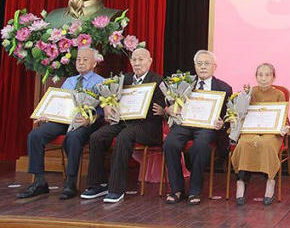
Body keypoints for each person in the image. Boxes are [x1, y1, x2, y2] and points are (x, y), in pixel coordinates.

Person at [17, 46, 105, 200]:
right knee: (35, 135)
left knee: (73, 137)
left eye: (85, 60)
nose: (81, 62)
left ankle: (70, 183)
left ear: (94, 63)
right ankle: (39, 182)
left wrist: (88, 119)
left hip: (85, 122)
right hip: (64, 119)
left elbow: (103, 110)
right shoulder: (69, 81)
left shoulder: (101, 82)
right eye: (78, 59)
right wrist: (48, 114)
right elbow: (60, 102)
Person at [80, 48, 164, 203]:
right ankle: (97, 185)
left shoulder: (158, 81)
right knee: (97, 136)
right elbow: (108, 96)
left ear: (150, 61)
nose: (137, 63)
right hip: (125, 121)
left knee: (124, 136)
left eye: (141, 59)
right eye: (134, 60)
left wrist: (163, 110)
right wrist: (107, 105)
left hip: (147, 126)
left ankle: (116, 189)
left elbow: (166, 107)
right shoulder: (124, 79)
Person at [157, 50, 232, 205]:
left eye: (207, 64)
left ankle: (194, 191)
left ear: (215, 67)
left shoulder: (224, 88)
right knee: (170, 143)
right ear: (195, 66)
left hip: (207, 127)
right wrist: (169, 110)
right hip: (184, 124)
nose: (203, 67)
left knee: (200, 146)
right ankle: (177, 189)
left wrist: (222, 123)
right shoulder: (183, 84)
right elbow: (171, 106)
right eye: (199, 64)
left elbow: (227, 116)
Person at [231, 63, 288, 206]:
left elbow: (283, 117)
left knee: (266, 144)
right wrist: (243, 98)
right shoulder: (250, 92)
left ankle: (270, 180)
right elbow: (240, 113)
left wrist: (284, 127)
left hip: (271, 133)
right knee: (244, 144)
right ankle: (241, 181)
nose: (263, 78)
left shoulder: (279, 94)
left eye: (267, 75)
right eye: (260, 75)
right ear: (256, 77)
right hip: (251, 130)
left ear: (273, 77)